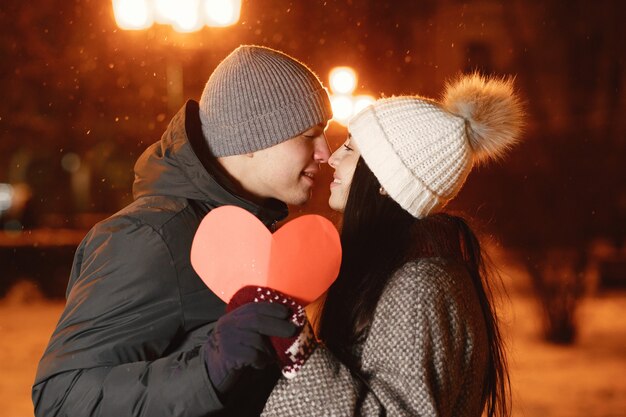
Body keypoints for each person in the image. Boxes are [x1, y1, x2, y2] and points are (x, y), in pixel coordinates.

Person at [32, 45, 333, 416]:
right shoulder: (151, 237)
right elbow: (62, 397)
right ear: (253, 139)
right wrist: (206, 370)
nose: (326, 152)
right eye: (309, 134)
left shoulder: (255, 231)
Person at [261, 73, 524, 416]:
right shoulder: (401, 273)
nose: (333, 157)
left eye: (351, 148)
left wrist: (295, 346)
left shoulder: (420, 287)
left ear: (385, 180)